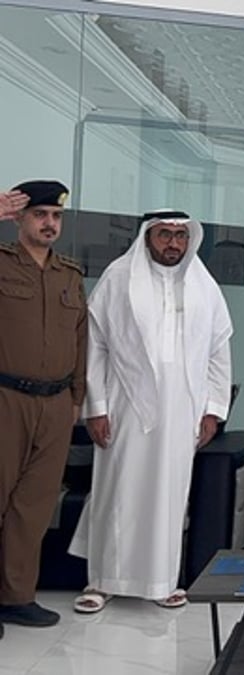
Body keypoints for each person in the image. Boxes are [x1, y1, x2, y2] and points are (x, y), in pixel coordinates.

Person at [70, 210, 233, 613]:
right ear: (147, 237)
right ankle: (101, 581)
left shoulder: (203, 285)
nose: (173, 243)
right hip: (124, 404)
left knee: (169, 494)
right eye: (164, 235)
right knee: (116, 489)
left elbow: (218, 351)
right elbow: (95, 346)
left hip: (183, 408)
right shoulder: (118, 278)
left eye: (180, 236)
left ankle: (162, 582)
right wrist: (96, 407)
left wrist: (213, 411)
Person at [0, 181, 85, 632]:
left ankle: (16, 598)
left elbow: (81, 340)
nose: (50, 223)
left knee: (33, 508)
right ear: (19, 218)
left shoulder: (69, 274)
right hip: (6, 398)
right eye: (40, 215)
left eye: (56, 216)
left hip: (55, 404)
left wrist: (76, 398)